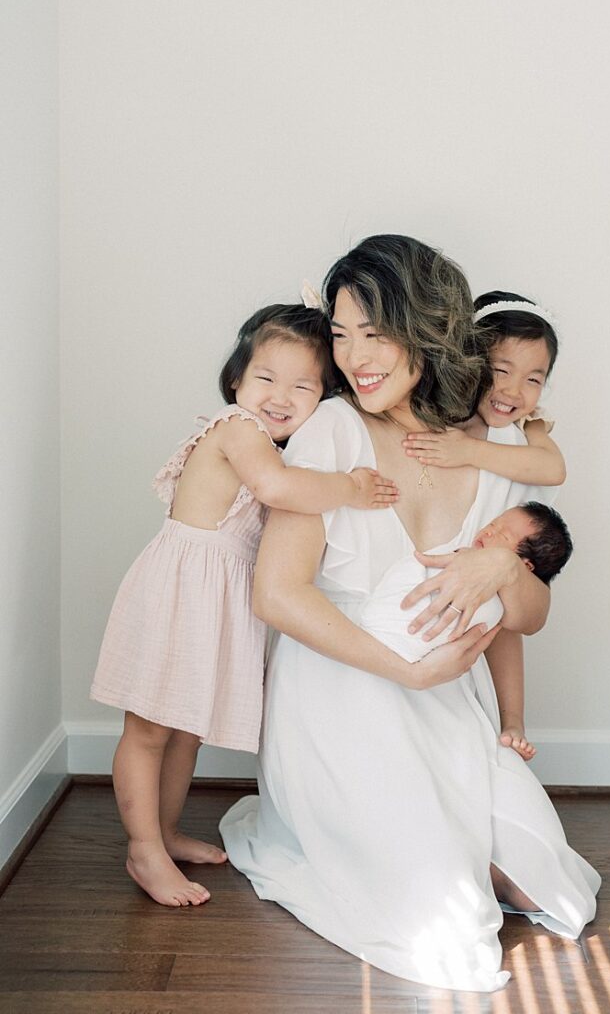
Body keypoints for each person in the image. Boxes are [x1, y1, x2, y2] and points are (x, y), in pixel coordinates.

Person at [220, 236, 600, 992]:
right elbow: (277, 594)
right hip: (347, 688)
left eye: (375, 331)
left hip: (453, 702)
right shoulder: (333, 429)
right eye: (341, 332)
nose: (354, 355)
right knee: (450, 928)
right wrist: (407, 670)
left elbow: (531, 618)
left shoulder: (487, 447)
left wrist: (501, 564)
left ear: (426, 325)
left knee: (550, 890)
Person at [90, 303, 398, 909]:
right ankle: (142, 848)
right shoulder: (239, 430)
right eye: (266, 379)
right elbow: (277, 490)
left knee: (187, 731)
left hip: (216, 599)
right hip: (180, 591)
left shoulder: (276, 443)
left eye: (303, 386)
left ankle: (167, 830)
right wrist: (352, 488)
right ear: (237, 381)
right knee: (150, 728)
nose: (281, 397)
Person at [401, 290, 566, 759]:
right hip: (401, 621)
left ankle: (511, 722)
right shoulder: (426, 419)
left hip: (469, 631)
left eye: (534, 378)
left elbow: (553, 470)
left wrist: (474, 451)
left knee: (500, 593)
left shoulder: (517, 451)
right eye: (500, 370)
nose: (514, 391)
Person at [357, 501, 572, 660]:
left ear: (526, 567)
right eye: (493, 524)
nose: (488, 531)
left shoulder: (500, 605)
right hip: (369, 625)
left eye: (503, 535)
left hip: (400, 646)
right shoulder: (461, 554)